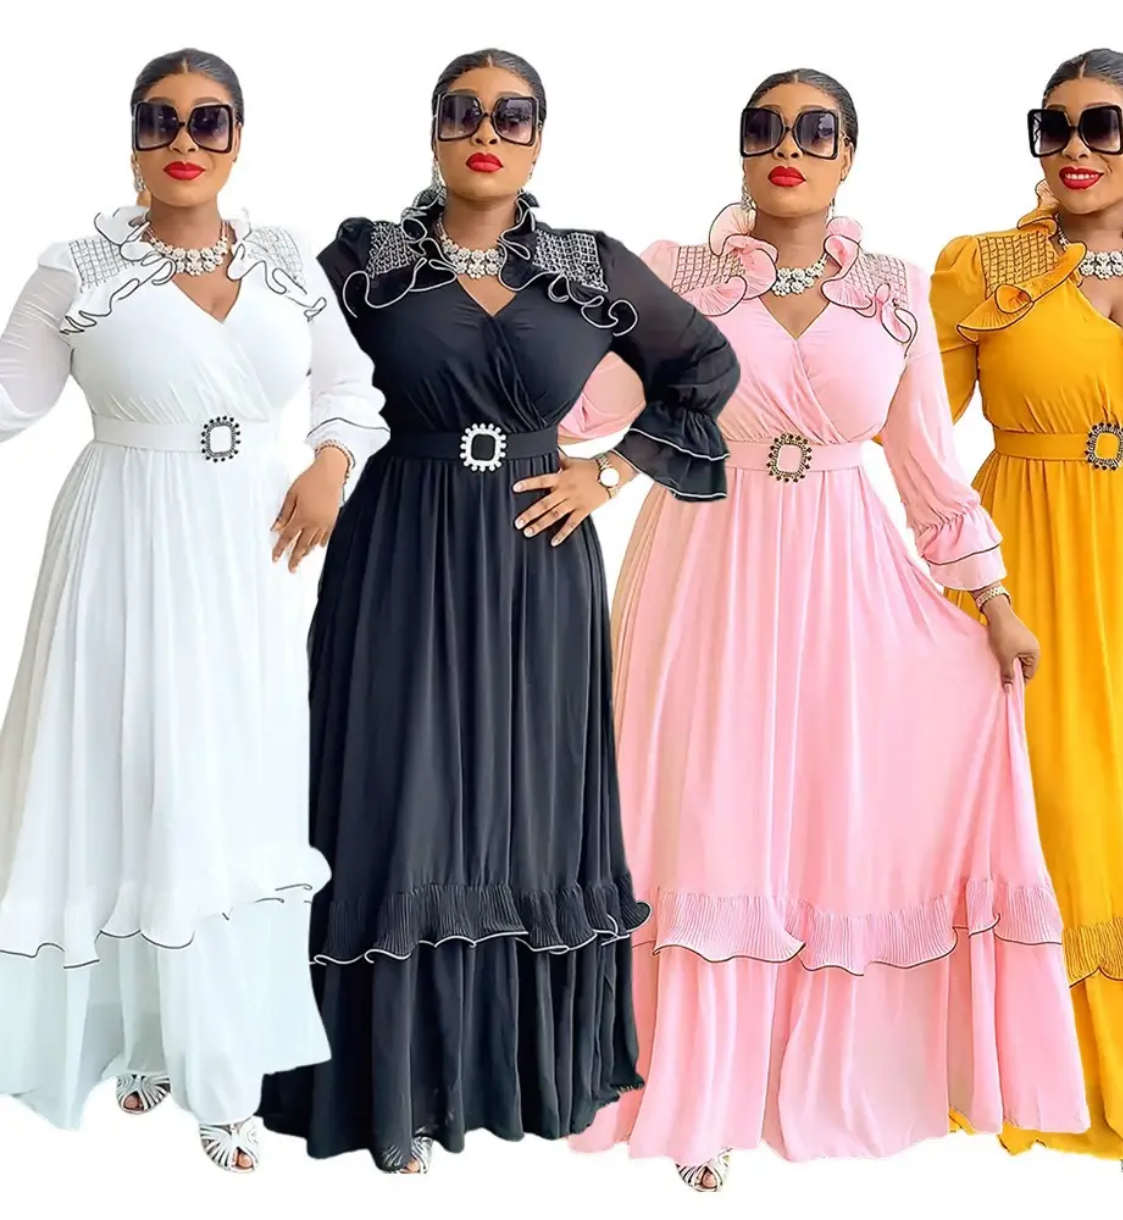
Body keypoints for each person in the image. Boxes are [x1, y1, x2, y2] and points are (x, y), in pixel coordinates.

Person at [565, 67, 1088, 1192]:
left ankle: (823, 1073)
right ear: (740, 150)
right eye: (765, 129)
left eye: (815, 131)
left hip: (848, 576)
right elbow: (594, 411)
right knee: (707, 810)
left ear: (848, 156)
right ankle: (694, 1091)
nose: (787, 147)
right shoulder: (679, 272)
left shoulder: (894, 288)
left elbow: (928, 470)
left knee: (830, 813)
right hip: (703, 565)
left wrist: (992, 602)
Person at [257, 47, 739, 1173]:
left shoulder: (586, 265)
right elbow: (265, 356)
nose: (486, 129)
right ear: (433, 131)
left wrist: (607, 471)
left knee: (527, 808)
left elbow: (704, 368)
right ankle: (389, 1091)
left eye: (511, 114)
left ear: (539, 138)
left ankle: (519, 1074)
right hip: (397, 548)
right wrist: (315, 456)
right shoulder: (365, 259)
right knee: (395, 798)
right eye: (463, 111)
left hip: (538, 557)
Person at [0, 47, 388, 1172]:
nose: (183, 139)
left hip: (245, 558)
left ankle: (220, 1065)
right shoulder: (74, 268)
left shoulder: (284, 261)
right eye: (160, 119)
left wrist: (329, 465)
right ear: (132, 138)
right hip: (118, 541)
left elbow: (349, 387)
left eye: (208, 120)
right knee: (120, 768)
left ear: (237, 139)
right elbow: (9, 399)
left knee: (231, 781)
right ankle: (136, 1036)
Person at [931, 47, 1123, 1174]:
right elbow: (915, 439)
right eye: (1051, 127)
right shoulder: (983, 266)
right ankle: (1092, 1089)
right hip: (1029, 575)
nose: (1073, 149)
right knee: (1068, 819)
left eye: (1101, 126)